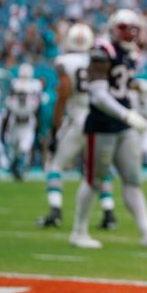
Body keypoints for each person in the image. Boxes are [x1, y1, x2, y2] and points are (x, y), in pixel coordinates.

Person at [69, 9, 147, 249]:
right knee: (94, 180)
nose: (130, 34)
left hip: (123, 124)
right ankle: (78, 231)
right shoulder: (102, 50)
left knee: (133, 178)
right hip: (101, 124)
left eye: (133, 29)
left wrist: (143, 88)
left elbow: (122, 82)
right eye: (125, 29)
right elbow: (98, 95)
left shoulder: (131, 53)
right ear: (113, 28)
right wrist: (127, 114)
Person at [38, 23, 118, 229]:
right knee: (99, 168)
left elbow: (64, 93)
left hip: (77, 120)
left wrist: (55, 130)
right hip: (97, 118)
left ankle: (55, 211)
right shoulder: (97, 59)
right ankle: (109, 212)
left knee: (55, 165)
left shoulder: (64, 61)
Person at [2, 63, 42, 181]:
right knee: (14, 147)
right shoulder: (16, 84)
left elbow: (37, 107)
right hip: (16, 120)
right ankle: (15, 167)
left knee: (24, 147)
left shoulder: (34, 85)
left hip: (27, 121)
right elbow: (10, 103)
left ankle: (20, 168)